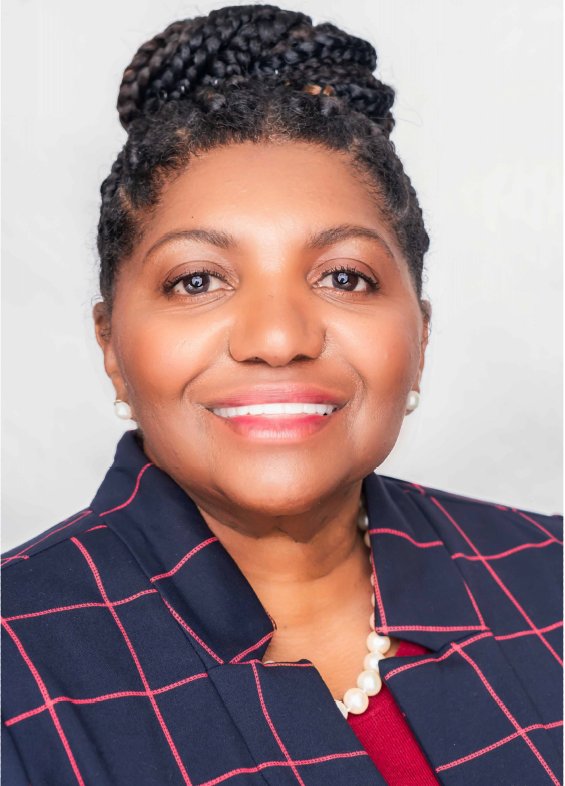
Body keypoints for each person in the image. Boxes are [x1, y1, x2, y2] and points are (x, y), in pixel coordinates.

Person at [1, 6, 562, 785]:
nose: (277, 337)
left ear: (420, 335)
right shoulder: (16, 663)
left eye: (344, 277)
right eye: (196, 280)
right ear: (112, 348)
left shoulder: (549, 574)